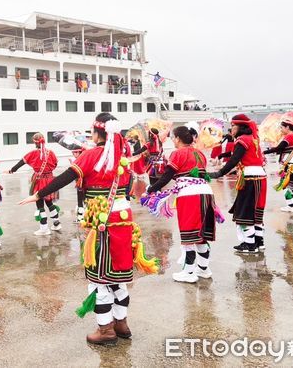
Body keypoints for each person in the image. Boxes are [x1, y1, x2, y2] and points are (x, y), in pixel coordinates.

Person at [19, 113, 159, 345]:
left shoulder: (94, 155)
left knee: (99, 280)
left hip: (101, 223)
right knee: (118, 278)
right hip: (124, 221)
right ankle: (121, 324)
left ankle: (105, 331)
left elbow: (66, 177)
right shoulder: (122, 158)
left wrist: (38, 194)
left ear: (97, 133)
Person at [145, 126, 218, 283]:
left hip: (189, 195)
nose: (172, 140)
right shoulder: (199, 153)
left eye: (173, 137)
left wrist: (151, 189)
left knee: (189, 234)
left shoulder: (177, 153)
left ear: (178, 138)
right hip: (206, 193)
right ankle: (204, 269)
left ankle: (189, 272)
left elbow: (166, 177)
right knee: (201, 234)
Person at [209, 114, 266, 253]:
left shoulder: (242, 140)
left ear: (241, 126)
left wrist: (219, 173)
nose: (231, 128)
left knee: (245, 212)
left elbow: (234, 160)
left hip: (250, 179)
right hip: (260, 178)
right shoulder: (253, 139)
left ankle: (249, 245)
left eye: (233, 125)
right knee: (256, 213)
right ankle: (259, 243)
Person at [9, 133, 61, 235]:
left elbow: (21, 162)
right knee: (49, 202)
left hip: (39, 180)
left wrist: (12, 170)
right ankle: (56, 223)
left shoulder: (33, 153)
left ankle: (44, 228)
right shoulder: (51, 152)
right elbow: (55, 164)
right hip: (50, 179)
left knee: (39, 203)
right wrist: (48, 171)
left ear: (34, 142)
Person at [263, 118, 293, 212]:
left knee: (285, 185)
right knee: (291, 185)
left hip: (290, 164)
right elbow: (282, 149)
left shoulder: (289, 136)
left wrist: (264, 152)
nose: (281, 130)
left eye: (281, 127)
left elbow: (278, 148)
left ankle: (291, 205)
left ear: (287, 127)